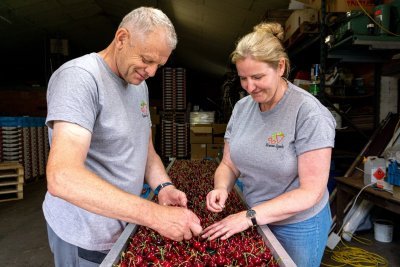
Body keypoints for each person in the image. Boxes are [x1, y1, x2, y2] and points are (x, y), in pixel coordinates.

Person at [43, 7, 202, 266]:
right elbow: (63, 177)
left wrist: (164, 186)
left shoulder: (138, 86)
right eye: (147, 60)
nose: (151, 72)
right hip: (86, 235)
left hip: (124, 225)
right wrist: (154, 215)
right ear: (121, 38)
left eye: (158, 65)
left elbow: (145, 149)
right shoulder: (80, 79)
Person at [201, 22, 336, 267]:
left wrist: (248, 217)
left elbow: (311, 192)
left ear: (280, 67)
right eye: (243, 78)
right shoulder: (243, 108)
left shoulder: (308, 114)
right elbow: (229, 164)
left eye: (258, 77)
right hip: (253, 217)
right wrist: (221, 187)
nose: (249, 87)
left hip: (297, 226)